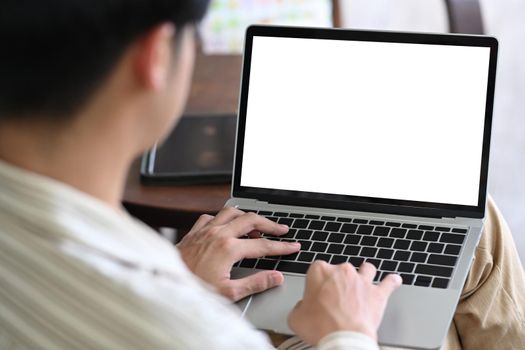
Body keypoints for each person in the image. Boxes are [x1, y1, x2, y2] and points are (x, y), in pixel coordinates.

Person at [0, 1, 523, 349]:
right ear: (156, 56)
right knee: (473, 239)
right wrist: (343, 333)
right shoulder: (193, 333)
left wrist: (182, 278)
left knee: (478, 225)